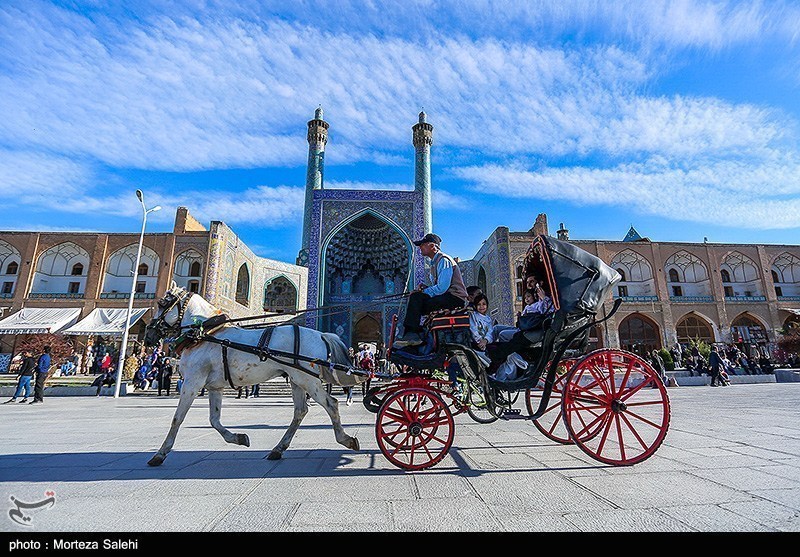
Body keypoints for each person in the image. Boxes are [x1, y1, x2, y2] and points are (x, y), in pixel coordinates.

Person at [393, 233, 468, 347]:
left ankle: (413, 334)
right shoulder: (434, 264)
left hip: (455, 298)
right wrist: (425, 289)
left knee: (416, 299)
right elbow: (439, 288)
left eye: (423, 245)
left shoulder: (444, 260)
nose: (420, 247)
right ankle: (416, 333)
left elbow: (442, 288)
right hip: (447, 297)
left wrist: (422, 292)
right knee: (416, 301)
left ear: (432, 246)